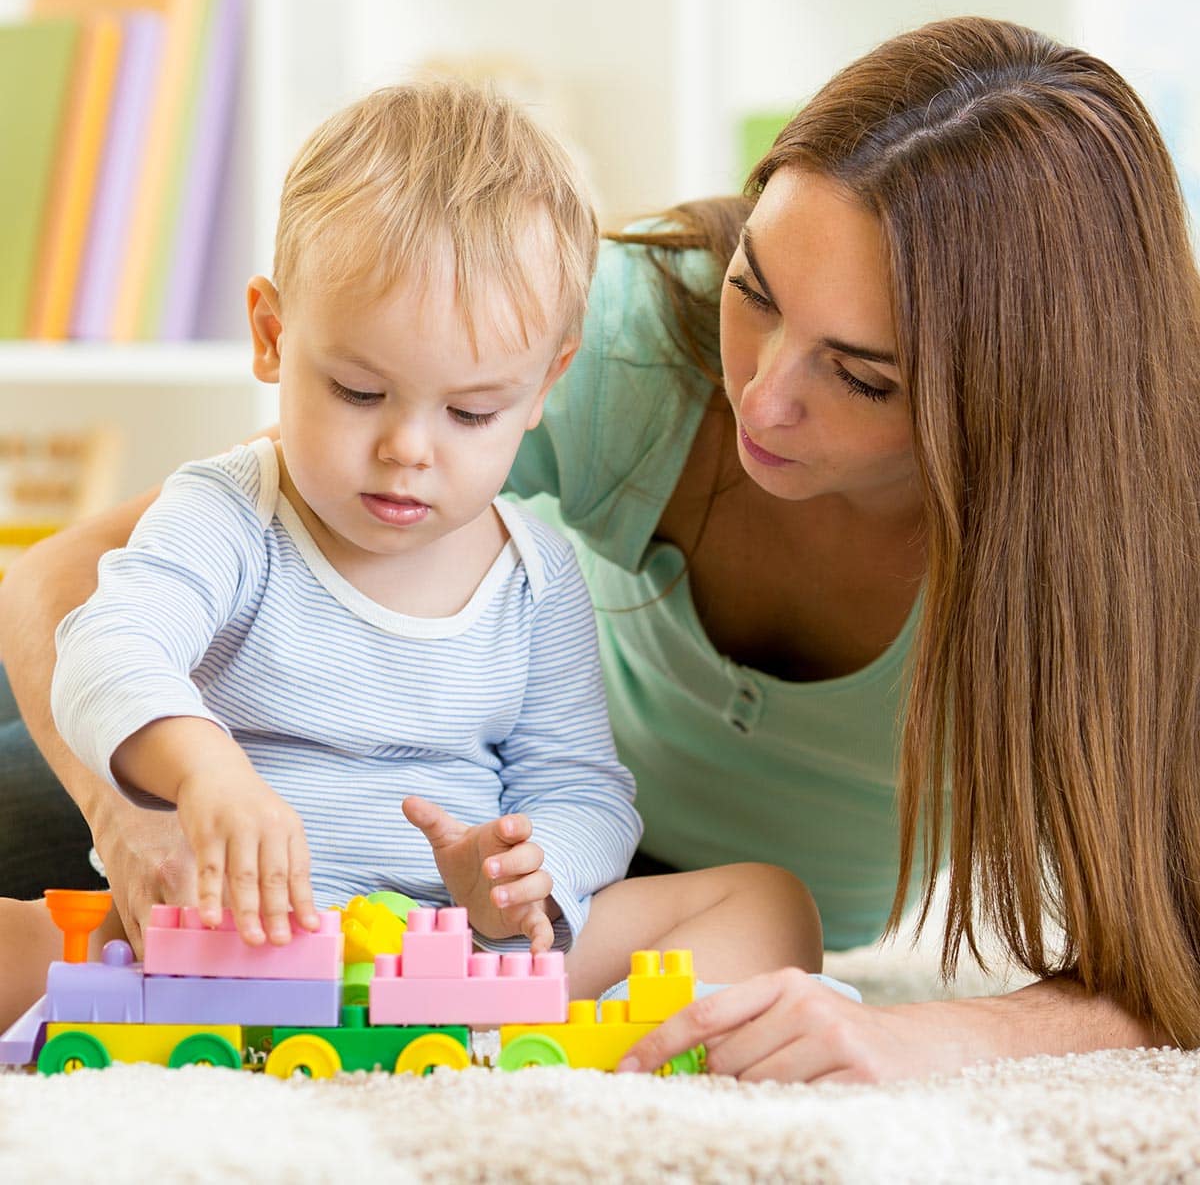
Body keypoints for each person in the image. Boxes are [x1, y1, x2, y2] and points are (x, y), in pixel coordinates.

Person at [1, 15, 1192, 1082]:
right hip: (226, 786)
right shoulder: (572, 328)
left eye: (864, 377)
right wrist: (141, 808)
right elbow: (72, 587)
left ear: (1018, 405)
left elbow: (1169, 953)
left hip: (546, 877)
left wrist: (919, 1034)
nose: (762, 401)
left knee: (757, 913)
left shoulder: (1126, 545)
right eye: (757, 291)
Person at [0, 81, 820, 1031]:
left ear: (547, 383)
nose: (408, 449)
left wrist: (528, 871)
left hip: (456, 947)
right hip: (215, 929)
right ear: (272, 337)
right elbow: (107, 645)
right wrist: (202, 773)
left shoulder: (537, 576)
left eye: (472, 412)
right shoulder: (228, 510)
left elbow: (581, 785)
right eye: (357, 391)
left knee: (770, 905)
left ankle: (584, 1034)